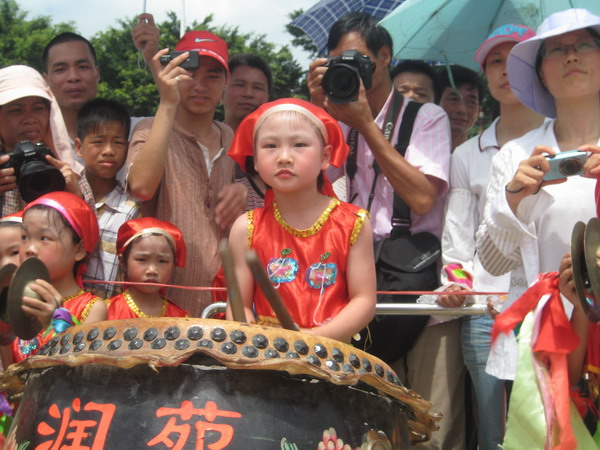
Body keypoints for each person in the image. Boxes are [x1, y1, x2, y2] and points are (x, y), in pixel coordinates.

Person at [308, 12, 453, 448]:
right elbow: (311, 195)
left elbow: (424, 198)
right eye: (337, 61)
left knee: (430, 419)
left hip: (415, 286)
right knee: (361, 420)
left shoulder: (425, 116)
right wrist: (319, 111)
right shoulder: (329, 117)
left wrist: (366, 125)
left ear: (384, 56)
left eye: (358, 59)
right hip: (350, 285)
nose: (348, 69)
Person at [476, 7, 600, 388]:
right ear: (541, 73)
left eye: (584, 44)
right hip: (541, 343)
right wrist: (514, 199)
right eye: (556, 50)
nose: (572, 55)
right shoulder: (515, 156)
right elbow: (493, 263)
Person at [437, 24, 543, 450]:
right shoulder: (466, 154)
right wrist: (457, 283)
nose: (507, 70)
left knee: (551, 421)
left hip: (554, 304)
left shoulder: (564, 143)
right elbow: (458, 231)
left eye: (518, 58)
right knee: (493, 432)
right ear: (485, 73)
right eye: (496, 61)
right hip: (486, 308)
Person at [227, 98, 376, 343]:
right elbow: (238, 304)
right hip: (268, 357)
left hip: (332, 354)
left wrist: (313, 338)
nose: (284, 157)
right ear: (254, 159)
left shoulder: (353, 223)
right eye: (270, 146)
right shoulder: (246, 227)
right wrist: (257, 340)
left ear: (325, 156)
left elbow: (364, 301)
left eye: (299, 144)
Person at [127, 31, 246, 316]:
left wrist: (243, 191)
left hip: (219, 299)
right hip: (161, 297)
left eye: (213, 76)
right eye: (189, 73)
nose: (200, 85)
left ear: (226, 83)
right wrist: (167, 103)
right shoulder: (149, 128)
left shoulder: (229, 136)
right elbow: (141, 187)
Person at [8, 191, 107, 364]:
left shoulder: (91, 309)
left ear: (79, 250)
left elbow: (77, 373)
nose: (30, 248)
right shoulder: (15, 300)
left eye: (44, 238)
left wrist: (51, 324)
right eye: (25, 237)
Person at [75, 98, 140, 299]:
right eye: (98, 141)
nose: (109, 151)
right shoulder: (66, 197)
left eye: (118, 142)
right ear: (78, 147)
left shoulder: (132, 209)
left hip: (111, 320)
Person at [0, 65, 83, 217]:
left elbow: (92, 240)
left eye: (38, 108)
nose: (30, 119)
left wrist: (76, 198)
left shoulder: (68, 171)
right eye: (16, 110)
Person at [106, 217, 188, 319]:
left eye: (162, 261)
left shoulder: (180, 318)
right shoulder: (107, 312)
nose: (152, 270)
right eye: (142, 260)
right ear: (122, 261)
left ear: (173, 264)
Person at [224, 53, 273, 211]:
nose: (248, 94)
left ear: (267, 97)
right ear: (221, 91)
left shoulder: (276, 150)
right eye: (239, 85)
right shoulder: (206, 144)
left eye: (258, 88)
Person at [42, 33, 100, 143]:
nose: (73, 77)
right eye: (60, 70)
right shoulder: (36, 142)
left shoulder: (133, 131)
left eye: (83, 67)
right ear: (46, 80)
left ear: (97, 74)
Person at [437, 65, 484, 151]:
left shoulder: (485, 159)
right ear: (434, 103)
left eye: (471, 102)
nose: (461, 110)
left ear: (478, 112)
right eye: (453, 99)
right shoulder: (416, 152)